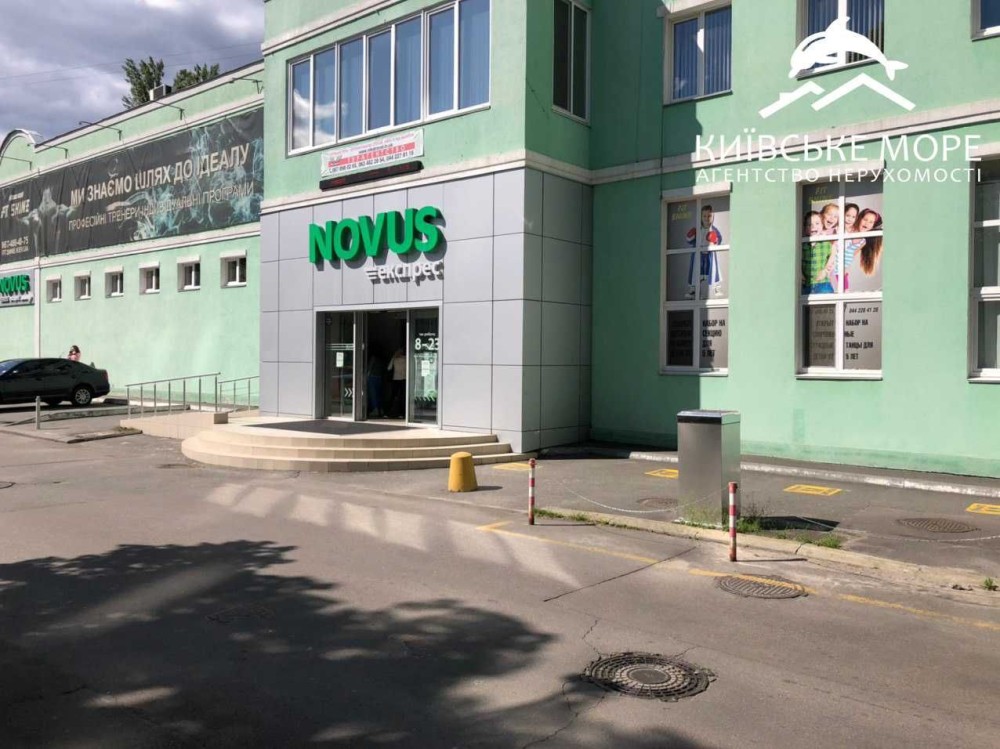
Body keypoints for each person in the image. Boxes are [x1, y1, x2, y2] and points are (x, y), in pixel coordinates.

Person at [684, 204, 724, 299]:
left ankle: (717, 288)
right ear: (701, 217)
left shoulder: (714, 230)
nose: (706, 218)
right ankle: (693, 290)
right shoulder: (697, 230)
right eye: (704, 216)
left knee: (713, 271)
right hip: (699, 255)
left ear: (713, 217)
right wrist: (690, 235)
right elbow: (689, 240)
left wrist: (714, 238)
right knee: (696, 272)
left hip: (709, 255)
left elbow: (719, 240)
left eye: (709, 216)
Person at [386, 348, 406, 418]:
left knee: (394, 396)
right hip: (403, 379)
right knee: (402, 396)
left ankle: (389, 412)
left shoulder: (395, 359)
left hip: (396, 379)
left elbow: (389, 368)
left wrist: (393, 357)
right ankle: (402, 413)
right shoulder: (405, 359)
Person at [366, 351, 384, 418]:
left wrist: (367, 376)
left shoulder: (373, 358)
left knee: (373, 394)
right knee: (378, 394)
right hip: (379, 377)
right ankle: (380, 409)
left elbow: (370, 368)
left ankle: (375, 409)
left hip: (372, 377)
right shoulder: (381, 359)